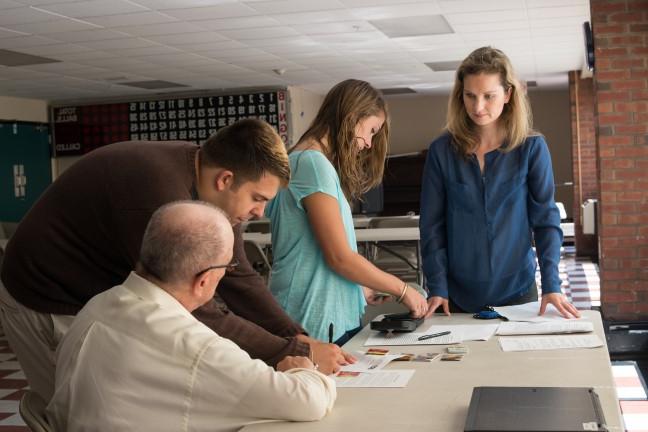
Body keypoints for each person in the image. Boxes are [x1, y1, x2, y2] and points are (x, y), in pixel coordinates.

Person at [0, 118, 350, 403]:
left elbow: (239, 276)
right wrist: (289, 350)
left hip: (93, 290)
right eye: (258, 198)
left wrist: (297, 338)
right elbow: (196, 307)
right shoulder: (157, 194)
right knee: (76, 408)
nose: (260, 211)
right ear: (226, 179)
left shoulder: (214, 191)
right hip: (42, 293)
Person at [46, 201, 336, 431]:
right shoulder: (196, 347)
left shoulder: (97, 306)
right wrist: (303, 369)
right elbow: (306, 402)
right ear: (204, 280)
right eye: (228, 267)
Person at [419, 46, 580, 319]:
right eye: (470, 96)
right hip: (455, 298)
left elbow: (545, 221)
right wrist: (437, 285)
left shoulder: (531, 148)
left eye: (488, 96)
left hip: (518, 293)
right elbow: (432, 226)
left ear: (507, 94)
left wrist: (552, 284)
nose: (478, 107)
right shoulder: (441, 151)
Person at [266, 79, 429, 345]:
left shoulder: (305, 160)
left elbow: (314, 252)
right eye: (371, 130)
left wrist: (358, 288)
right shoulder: (312, 163)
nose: (368, 143)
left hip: (322, 310)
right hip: (312, 316)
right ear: (353, 117)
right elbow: (339, 257)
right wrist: (402, 291)